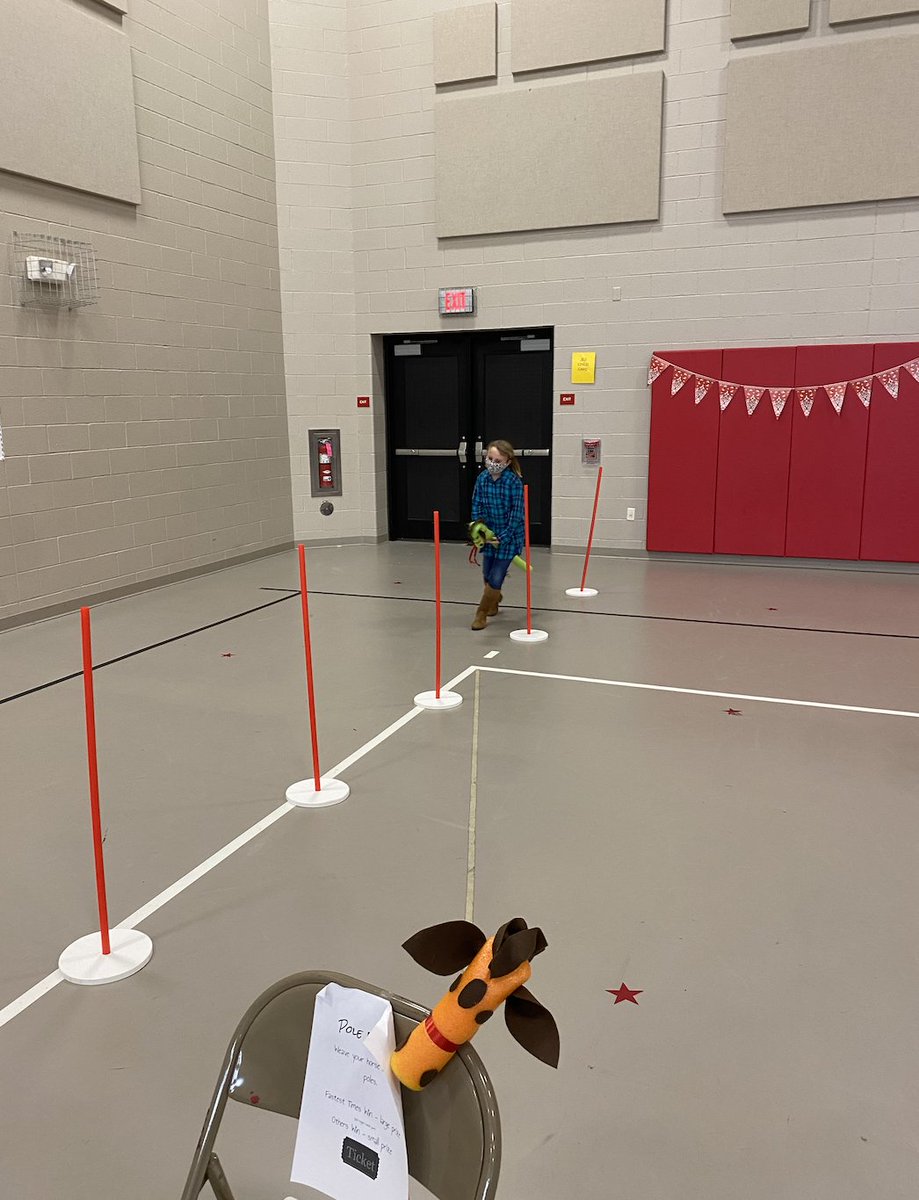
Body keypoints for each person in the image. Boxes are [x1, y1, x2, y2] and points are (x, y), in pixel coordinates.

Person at [469, 440, 525, 630]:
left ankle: (481, 613)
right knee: (487, 572)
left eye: (498, 460)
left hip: (508, 537)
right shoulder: (482, 478)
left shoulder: (513, 482)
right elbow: (476, 503)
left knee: (496, 575)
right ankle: (494, 597)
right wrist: (478, 526)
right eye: (490, 458)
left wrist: (504, 536)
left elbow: (517, 513)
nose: (493, 463)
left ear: (507, 462)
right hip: (488, 535)